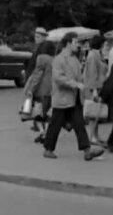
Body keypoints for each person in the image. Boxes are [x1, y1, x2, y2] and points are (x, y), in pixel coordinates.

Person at [43, 32, 104, 161]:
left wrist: (85, 90)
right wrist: (75, 84)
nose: (78, 45)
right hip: (62, 98)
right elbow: (58, 78)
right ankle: (48, 149)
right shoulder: (59, 59)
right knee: (55, 124)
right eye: (76, 43)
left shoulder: (74, 59)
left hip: (74, 98)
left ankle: (87, 150)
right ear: (68, 44)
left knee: (79, 124)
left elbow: (81, 78)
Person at [23, 40, 55, 142]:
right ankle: (45, 133)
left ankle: (42, 132)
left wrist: (31, 89)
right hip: (52, 91)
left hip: (41, 90)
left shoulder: (41, 58)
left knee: (38, 113)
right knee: (47, 113)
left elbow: (37, 75)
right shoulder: (54, 59)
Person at [81, 37, 109, 144]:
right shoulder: (93, 55)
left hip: (98, 87)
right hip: (94, 88)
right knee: (93, 112)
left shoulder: (97, 55)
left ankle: (95, 135)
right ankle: (92, 136)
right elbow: (92, 74)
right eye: (105, 44)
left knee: (96, 112)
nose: (106, 46)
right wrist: (94, 91)